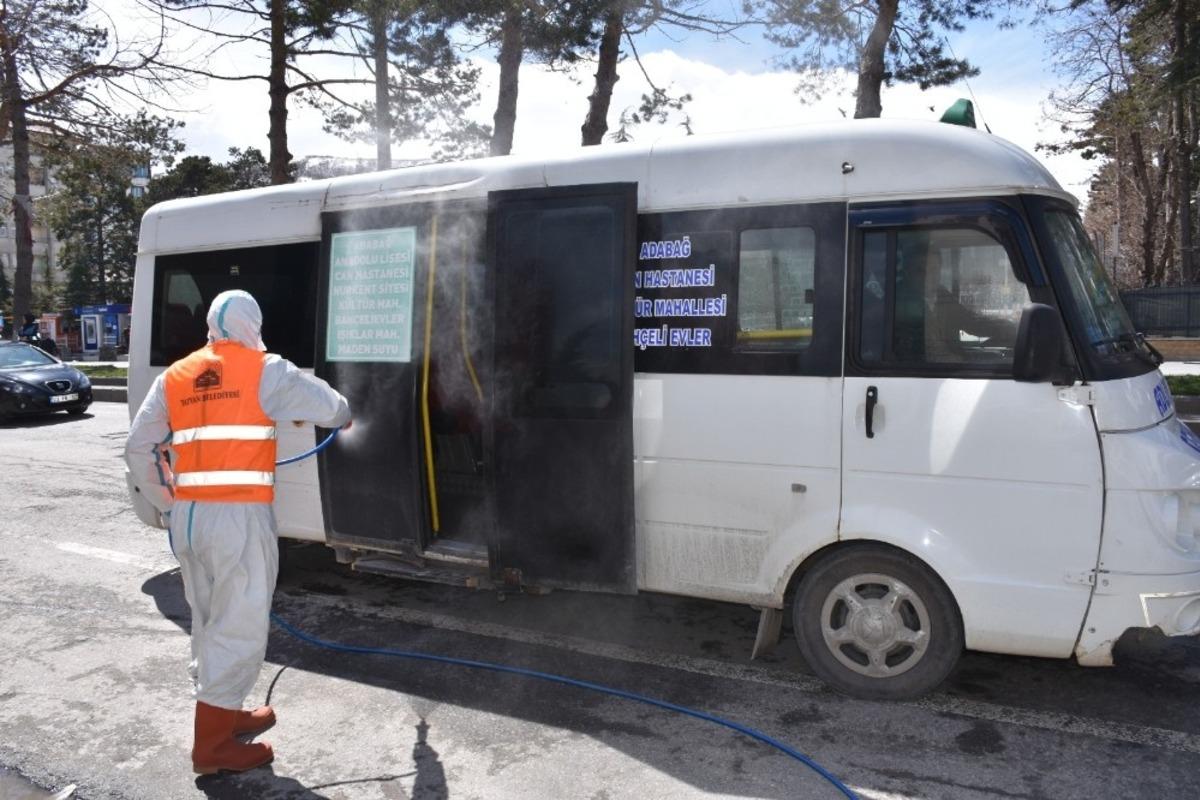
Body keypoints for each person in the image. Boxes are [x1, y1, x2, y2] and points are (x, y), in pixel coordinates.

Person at [125, 290, 351, 775]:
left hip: (188, 519)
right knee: (239, 626)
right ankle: (212, 748)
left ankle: (224, 715)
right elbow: (332, 408)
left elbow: (138, 448)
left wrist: (168, 502)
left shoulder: (175, 375)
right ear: (254, 325)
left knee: (209, 620)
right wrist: (345, 414)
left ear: (210, 325)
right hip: (238, 521)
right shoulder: (266, 369)